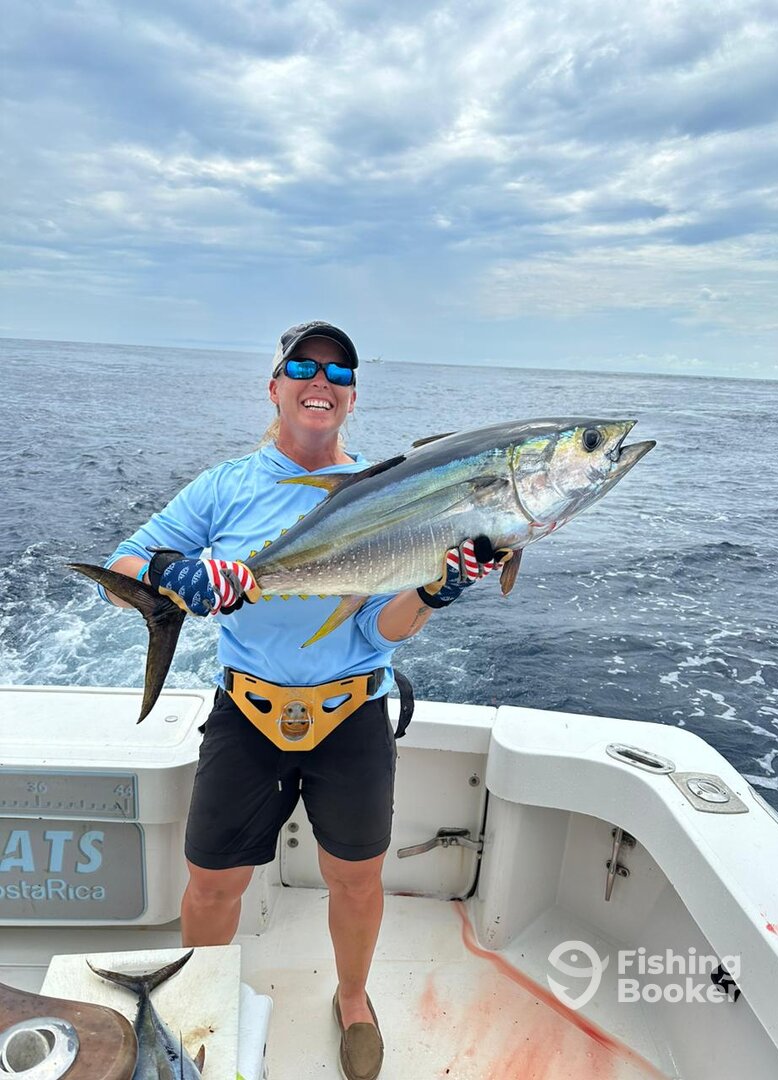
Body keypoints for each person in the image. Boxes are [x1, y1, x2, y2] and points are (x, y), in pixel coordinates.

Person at [100, 321, 501, 1080]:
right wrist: (170, 575)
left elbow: (381, 627)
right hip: (246, 712)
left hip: (351, 713)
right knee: (212, 882)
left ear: (352, 397)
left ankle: (352, 999)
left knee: (356, 876)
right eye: (303, 367)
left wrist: (432, 592)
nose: (322, 380)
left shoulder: (388, 491)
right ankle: (199, 1003)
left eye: (339, 372)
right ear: (275, 387)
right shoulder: (225, 486)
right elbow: (124, 564)